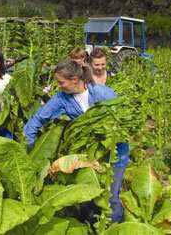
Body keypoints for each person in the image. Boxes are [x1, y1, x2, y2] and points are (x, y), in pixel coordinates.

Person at [23, 60, 129, 223]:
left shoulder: (103, 93)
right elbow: (38, 118)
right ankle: (91, 227)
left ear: (74, 79)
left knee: (110, 196)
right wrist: (28, 144)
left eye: (61, 82)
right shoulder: (61, 98)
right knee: (87, 197)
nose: (58, 86)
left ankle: (116, 228)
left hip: (114, 154)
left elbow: (123, 121)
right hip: (87, 156)